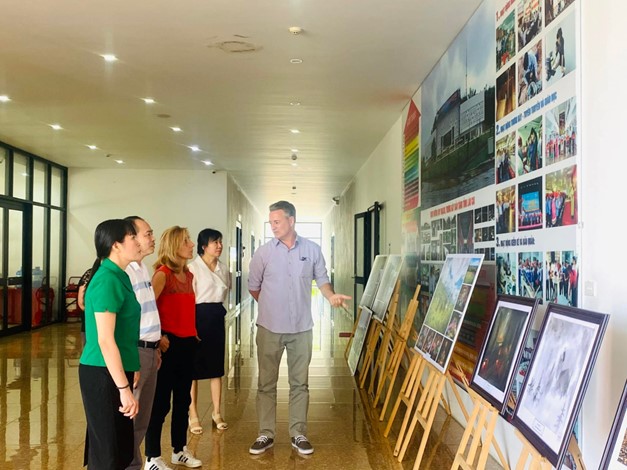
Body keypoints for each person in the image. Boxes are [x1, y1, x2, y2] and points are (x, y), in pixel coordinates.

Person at [247, 201, 351, 456]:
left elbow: (322, 280)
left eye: (277, 221)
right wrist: (272, 307)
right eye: (271, 222)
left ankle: (298, 434)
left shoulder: (312, 250)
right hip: (269, 328)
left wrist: (331, 296)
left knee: (300, 384)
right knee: (266, 383)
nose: (273, 226)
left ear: (291, 220)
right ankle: (265, 434)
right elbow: (253, 286)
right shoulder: (263, 253)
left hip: (302, 328)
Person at [79, 219, 141, 469]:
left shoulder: (119, 275)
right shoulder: (107, 279)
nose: (138, 242)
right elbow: (105, 340)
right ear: (116, 245)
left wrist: (132, 367)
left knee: (119, 449)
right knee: (107, 453)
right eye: (133, 237)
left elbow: (124, 333)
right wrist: (123, 389)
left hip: (115, 370)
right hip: (102, 373)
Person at [144, 226, 201, 469]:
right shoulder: (162, 274)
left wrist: (193, 335)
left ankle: (179, 450)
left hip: (188, 344)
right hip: (168, 346)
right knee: (160, 404)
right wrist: (159, 337)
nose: (191, 245)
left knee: (182, 401)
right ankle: (152, 457)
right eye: (186, 241)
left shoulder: (189, 275)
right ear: (175, 246)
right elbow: (147, 309)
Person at [123, 216, 163, 470]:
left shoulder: (142, 268)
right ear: (131, 238)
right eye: (147, 234)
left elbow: (147, 313)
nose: (152, 238)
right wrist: (132, 360)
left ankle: (133, 465)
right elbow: (123, 321)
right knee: (131, 418)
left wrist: (155, 346)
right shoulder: (125, 271)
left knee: (142, 419)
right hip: (135, 351)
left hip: (149, 350)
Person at [187, 229, 230, 434]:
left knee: (216, 367)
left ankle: (217, 412)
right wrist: (190, 326)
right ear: (204, 246)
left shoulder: (224, 268)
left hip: (216, 318)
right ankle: (193, 414)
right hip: (197, 317)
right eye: (215, 242)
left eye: (220, 242)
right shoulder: (192, 268)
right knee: (193, 370)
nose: (219, 246)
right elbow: (189, 299)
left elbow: (225, 292)